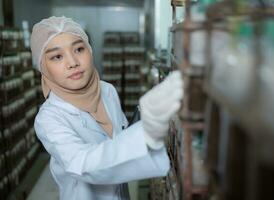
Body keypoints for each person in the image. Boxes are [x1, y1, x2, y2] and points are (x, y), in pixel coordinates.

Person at [30, 16, 183, 200]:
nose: (72, 62)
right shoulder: (49, 118)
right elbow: (82, 164)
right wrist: (146, 134)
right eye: (57, 56)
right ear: (43, 67)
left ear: (90, 49)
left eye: (79, 49)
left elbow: (119, 142)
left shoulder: (107, 90)